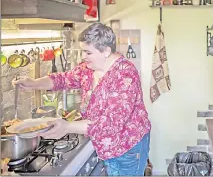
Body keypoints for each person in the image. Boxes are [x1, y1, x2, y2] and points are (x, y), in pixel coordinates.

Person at [13, 23, 152, 176]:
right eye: (82, 51)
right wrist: (33, 83)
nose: (83, 56)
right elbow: (62, 79)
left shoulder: (125, 75)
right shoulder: (87, 69)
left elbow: (110, 124)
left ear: (106, 51)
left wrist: (67, 127)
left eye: (88, 52)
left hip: (127, 149)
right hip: (103, 145)